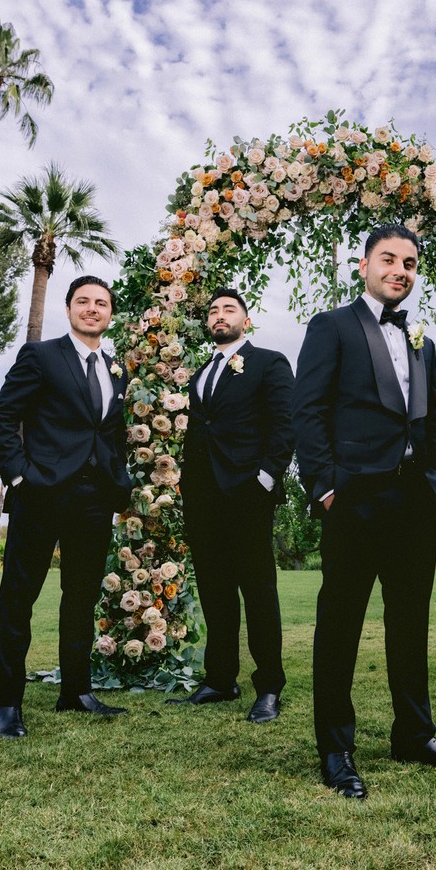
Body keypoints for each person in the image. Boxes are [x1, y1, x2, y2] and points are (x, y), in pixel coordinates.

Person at [293, 224, 436, 798]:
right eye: (388, 259)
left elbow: (431, 420)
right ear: (364, 265)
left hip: (415, 501)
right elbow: (307, 411)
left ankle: (414, 735)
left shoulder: (419, 338)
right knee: (340, 625)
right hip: (353, 499)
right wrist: (325, 487)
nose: (399, 270)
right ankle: (336, 749)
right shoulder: (331, 326)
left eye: (409, 263)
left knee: (410, 623)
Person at [0, 276, 134, 738]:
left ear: (110, 314)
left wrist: (117, 484)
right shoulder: (41, 356)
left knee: (81, 598)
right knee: (18, 597)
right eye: (84, 302)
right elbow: (3, 417)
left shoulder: (116, 368)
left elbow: (107, 433)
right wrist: (19, 477)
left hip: (94, 502)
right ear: (69, 309)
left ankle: (77, 691)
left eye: (101, 303)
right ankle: (8, 703)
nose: (93, 309)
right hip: (41, 494)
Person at [167, 287, 294, 722]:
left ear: (246, 319)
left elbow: (285, 423)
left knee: (258, 592)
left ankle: (270, 686)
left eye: (229, 309)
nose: (220, 315)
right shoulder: (201, 371)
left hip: (247, 494)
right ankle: (220, 679)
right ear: (208, 323)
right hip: (202, 497)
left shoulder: (269, 362)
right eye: (214, 311)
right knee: (215, 591)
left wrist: (264, 477)